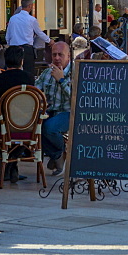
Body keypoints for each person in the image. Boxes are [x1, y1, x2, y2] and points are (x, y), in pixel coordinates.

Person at [35, 41, 72, 178]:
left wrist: (61, 81)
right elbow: (36, 91)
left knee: (49, 128)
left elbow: (78, 99)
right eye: (54, 54)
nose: (56, 58)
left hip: (69, 113)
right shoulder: (46, 72)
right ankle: (57, 155)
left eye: (60, 55)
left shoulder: (75, 72)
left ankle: (58, 157)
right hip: (50, 111)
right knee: (34, 127)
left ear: (68, 56)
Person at [5, 0, 51, 77]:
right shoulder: (32, 19)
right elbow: (39, 33)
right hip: (27, 50)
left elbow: (7, 36)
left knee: (12, 74)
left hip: (13, 49)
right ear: (30, 6)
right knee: (28, 74)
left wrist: (10, 45)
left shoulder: (13, 19)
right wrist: (50, 41)